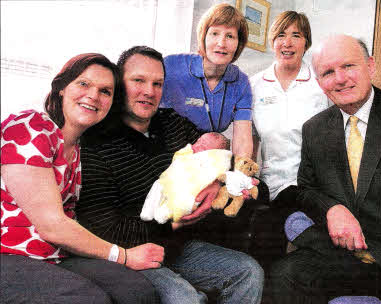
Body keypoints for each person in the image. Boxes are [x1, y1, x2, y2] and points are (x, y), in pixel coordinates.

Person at [77, 46, 264, 304]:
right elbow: (104, 226)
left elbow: (217, 156)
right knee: (184, 298)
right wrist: (171, 224)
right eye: (138, 81)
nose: (149, 91)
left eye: (157, 83)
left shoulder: (173, 122)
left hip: (178, 247)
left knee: (248, 271)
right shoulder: (96, 140)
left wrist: (218, 181)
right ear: (119, 83)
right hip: (132, 250)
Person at [270, 34, 381, 304]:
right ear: (320, 83)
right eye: (328, 72)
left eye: (349, 66)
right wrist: (332, 209)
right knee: (285, 274)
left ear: (371, 66)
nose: (340, 78)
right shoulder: (315, 129)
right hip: (346, 258)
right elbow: (306, 189)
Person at [1, 53, 160, 303]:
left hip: (56, 256)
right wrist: (124, 256)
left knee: (136, 291)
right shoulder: (29, 127)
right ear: (62, 87)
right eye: (84, 84)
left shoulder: (80, 149)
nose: (94, 96)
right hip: (9, 254)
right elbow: (52, 225)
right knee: (88, 299)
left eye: (105, 91)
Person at [249, 11, 329, 269]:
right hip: (268, 182)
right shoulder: (255, 85)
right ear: (273, 42)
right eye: (281, 35)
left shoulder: (320, 85)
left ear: (306, 43)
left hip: (309, 183)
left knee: (275, 234)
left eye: (296, 35)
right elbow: (251, 140)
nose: (288, 42)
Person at [160, 3, 253, 158]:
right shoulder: (171, 66)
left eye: (230, 36)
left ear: (239, 44)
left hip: (207, 159)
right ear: (203, 36)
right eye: (215, 33)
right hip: (165, 154)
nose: (221, 43)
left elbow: (242, 140)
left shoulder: (241, 83)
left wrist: (239, 176)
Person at [140, 132, 231, 224]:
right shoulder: (188, 153)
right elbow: (178, 158)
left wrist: (217, 182)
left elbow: (221, 168)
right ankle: (148, 211)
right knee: (158, 185)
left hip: (190, 190)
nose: (197, 145)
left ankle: (164, 215)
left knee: (181, 202)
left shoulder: (214, 160)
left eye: (203, 147)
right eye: (198, 141)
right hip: (170, 181)